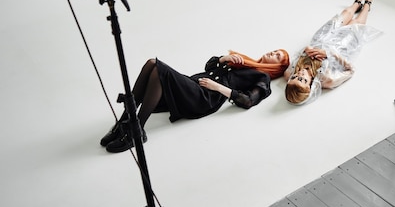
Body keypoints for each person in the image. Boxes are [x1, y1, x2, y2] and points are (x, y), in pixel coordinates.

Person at [100, 49, 290, 153]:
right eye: (274, 51)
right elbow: (208, 66)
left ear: (279, 67)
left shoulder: (262, 78)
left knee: (157, 67)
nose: (273, 53)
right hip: (192, 85)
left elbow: (248, 101)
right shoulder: (244, 62)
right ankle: (123, 123)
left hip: (204, 98)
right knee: (152, 65)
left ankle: (136, 130)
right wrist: (224, 58)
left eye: (278, 56)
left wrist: (219, 89)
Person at [284, 0, 381, 105]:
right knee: (356, 25)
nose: (299, 74)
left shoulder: (289, 72)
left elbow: (298, 54)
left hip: (321, 38)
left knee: (343, 15)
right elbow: (351, 70)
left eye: (293, 78)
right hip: (341, 46)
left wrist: (306, 49)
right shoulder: (327, 80)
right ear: (309, 87)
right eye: (302, 79)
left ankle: (357, 3)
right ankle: (367, 4)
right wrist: (329, 54)